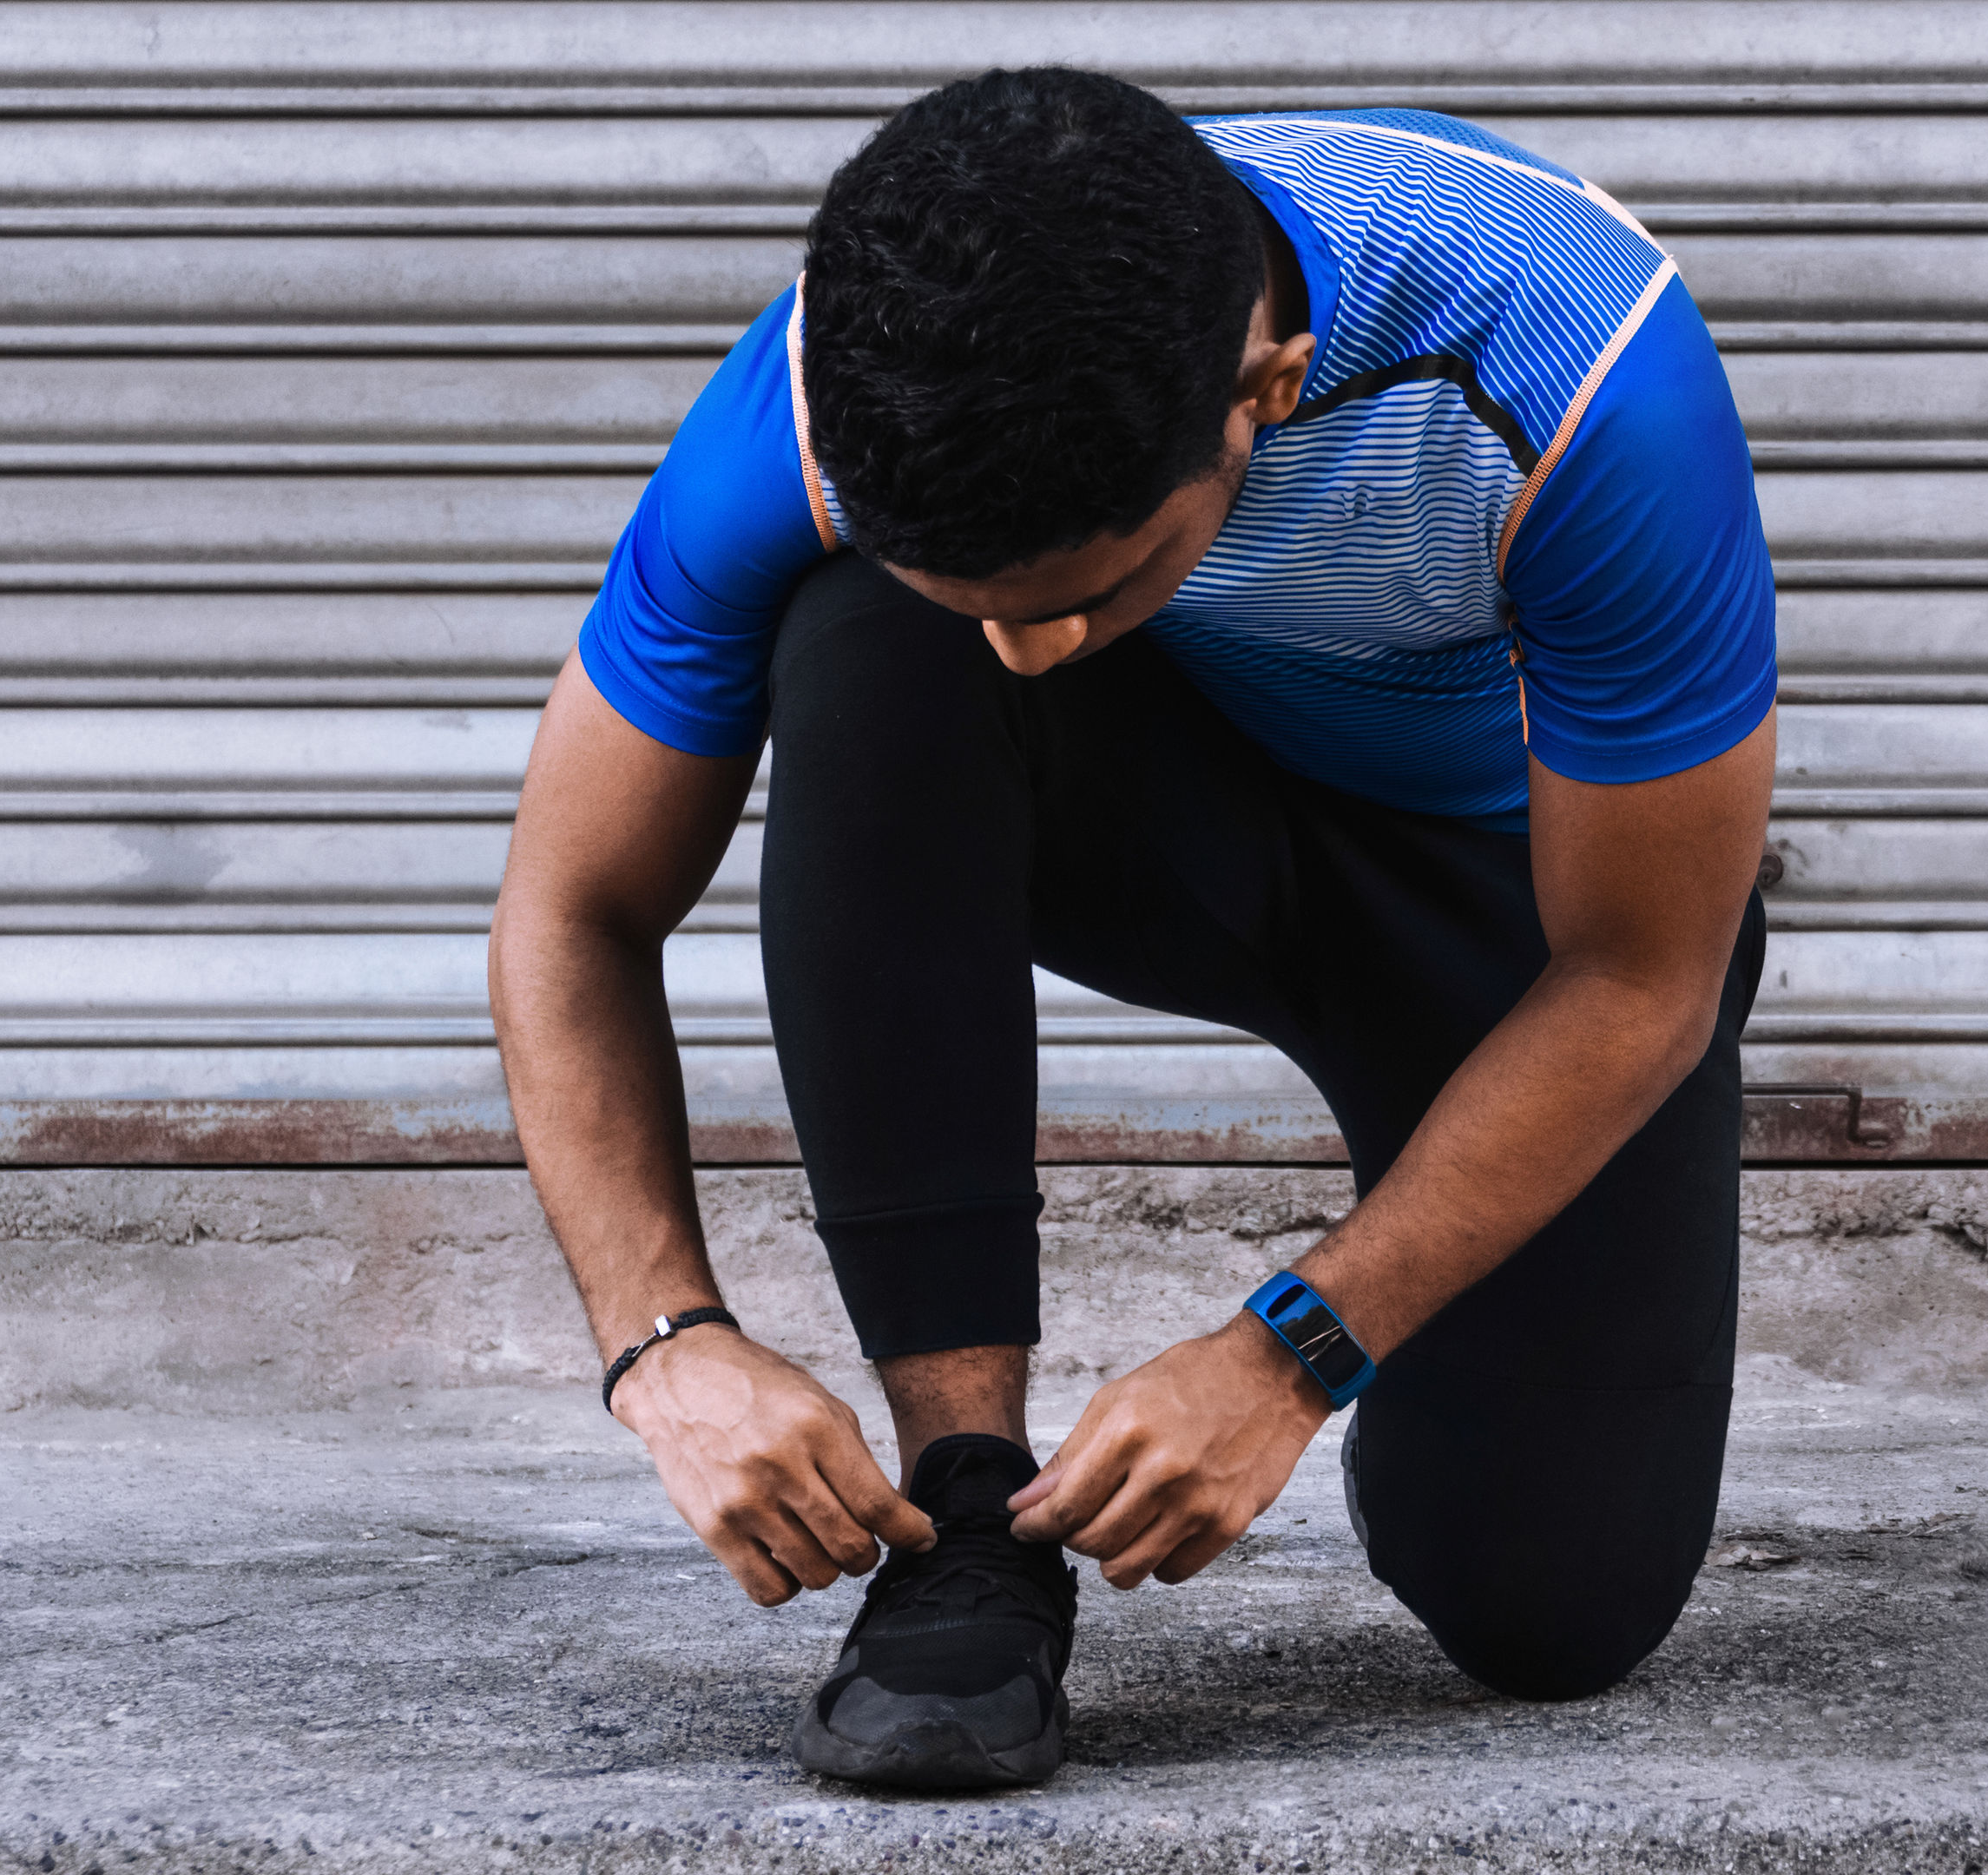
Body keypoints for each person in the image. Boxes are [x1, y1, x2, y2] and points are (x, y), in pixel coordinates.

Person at [486, 65, 1776, 1790]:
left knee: (1549, 1612)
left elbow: (1644, 975)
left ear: (1266, 390)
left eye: (1086, 593)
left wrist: (1292, 1352)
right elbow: (570, 906)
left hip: (1521, 914)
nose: (1030, 650)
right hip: (1186, 818)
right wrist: (665, 1343)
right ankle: (968, 1519)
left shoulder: (1577, 366)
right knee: (876, 644)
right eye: (993, 603)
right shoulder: (834, 383)